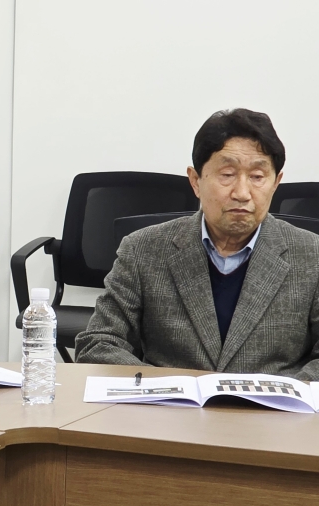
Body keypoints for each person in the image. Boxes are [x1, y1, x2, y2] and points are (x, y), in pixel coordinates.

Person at [76, 108, 319, 379]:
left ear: (276, 183)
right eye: (227, 174)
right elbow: (99, 342)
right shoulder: (143, 249)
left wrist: (288, 394)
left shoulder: (312, 256)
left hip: (274, 405)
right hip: (170, 404)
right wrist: (164, 388)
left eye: (257, 177)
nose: (242, 193)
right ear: (195, 181)